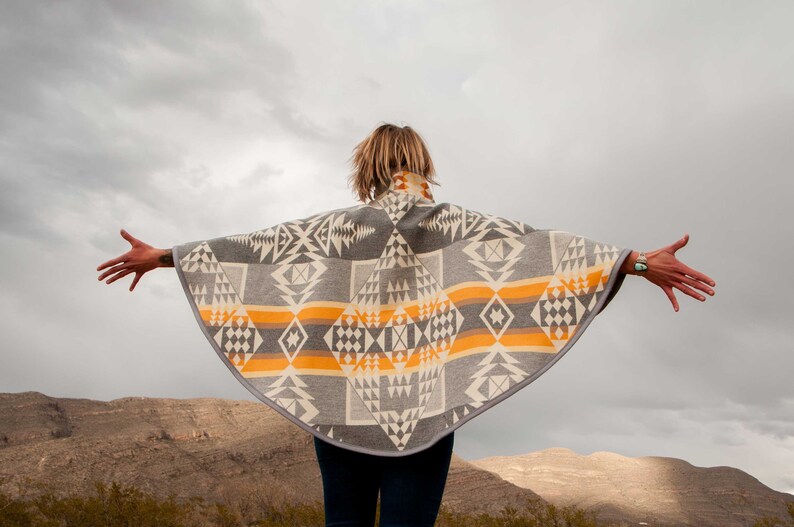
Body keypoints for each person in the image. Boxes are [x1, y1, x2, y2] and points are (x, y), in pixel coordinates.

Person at [97, 123, 715, 526]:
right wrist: (632, 262)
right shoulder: (457, 225)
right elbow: (542, 252)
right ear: (421, 164)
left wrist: (167, 255)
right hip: (427, 409)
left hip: (338, 409)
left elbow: (255, 249)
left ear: (365, 167)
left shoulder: (334, 229)